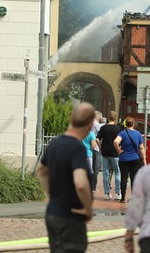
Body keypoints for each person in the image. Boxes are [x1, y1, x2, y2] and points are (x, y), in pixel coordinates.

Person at [36, 102, 94, 252]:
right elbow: (80, 183)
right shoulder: (77, 148)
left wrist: (51, 194)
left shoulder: (55, 143)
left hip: (53, 213)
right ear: (90, 125)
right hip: (71, 216)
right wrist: (87, 208)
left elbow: (41, 170)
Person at [113, 117, 146, 203]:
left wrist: (118, 150)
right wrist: (144, 159)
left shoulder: (122, 133)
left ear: (125, 124)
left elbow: (116, 142)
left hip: (123, 159)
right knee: (133, 178)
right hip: (135, 159)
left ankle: (123, 198)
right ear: (133, 124)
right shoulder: (138, 134)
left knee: (123, 178)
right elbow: (141, 148)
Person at [96, 111, 122, 200]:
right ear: (115, 118)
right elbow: (121, 140)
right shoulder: (118, 128)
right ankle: (118, 193)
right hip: (115, 153)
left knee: (105, 173)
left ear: (108, 117)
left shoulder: (103, 128)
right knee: (117, 172)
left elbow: (97, 139)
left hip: (105, 152)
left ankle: (107, 193)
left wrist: (100, 148)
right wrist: (119, 148)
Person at [91, 111, 103, 191]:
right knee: (95, 168)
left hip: (89, 148)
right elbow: (102, 129)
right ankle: (93, 187)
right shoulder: (95, 123)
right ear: (98, 117)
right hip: (95, 148)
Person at [82, 126, 97, 191]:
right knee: (90, 171)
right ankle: (91, 186)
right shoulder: (91, 133)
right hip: (88, 154)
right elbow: (93, 146)